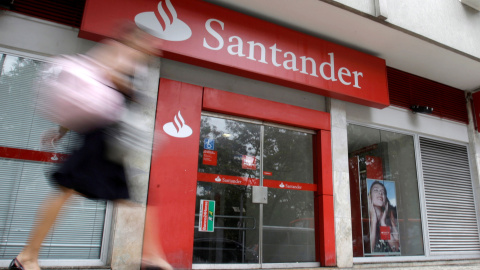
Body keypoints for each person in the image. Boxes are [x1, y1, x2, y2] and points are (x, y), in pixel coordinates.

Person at [9, 22, 171, 270]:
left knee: (125, 197)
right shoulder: (121, 52)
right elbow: (92, 82)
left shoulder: (132, 59)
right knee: (73, 191)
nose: (153, 50)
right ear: (136, 40)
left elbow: (86, 90)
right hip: (100, 136)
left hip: (107, 138)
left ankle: (152, 256)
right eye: (150, 44)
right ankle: (27, 256)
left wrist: (61, 131)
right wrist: (132, 89)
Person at [368, 180, 400, 253]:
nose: (380, 193)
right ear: (370, 197)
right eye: (376, 190)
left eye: (383, 191)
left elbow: (395, 248)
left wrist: (383, 223)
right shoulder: (365, 220)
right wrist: (373, 220)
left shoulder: (390, 218)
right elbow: (370, 250)